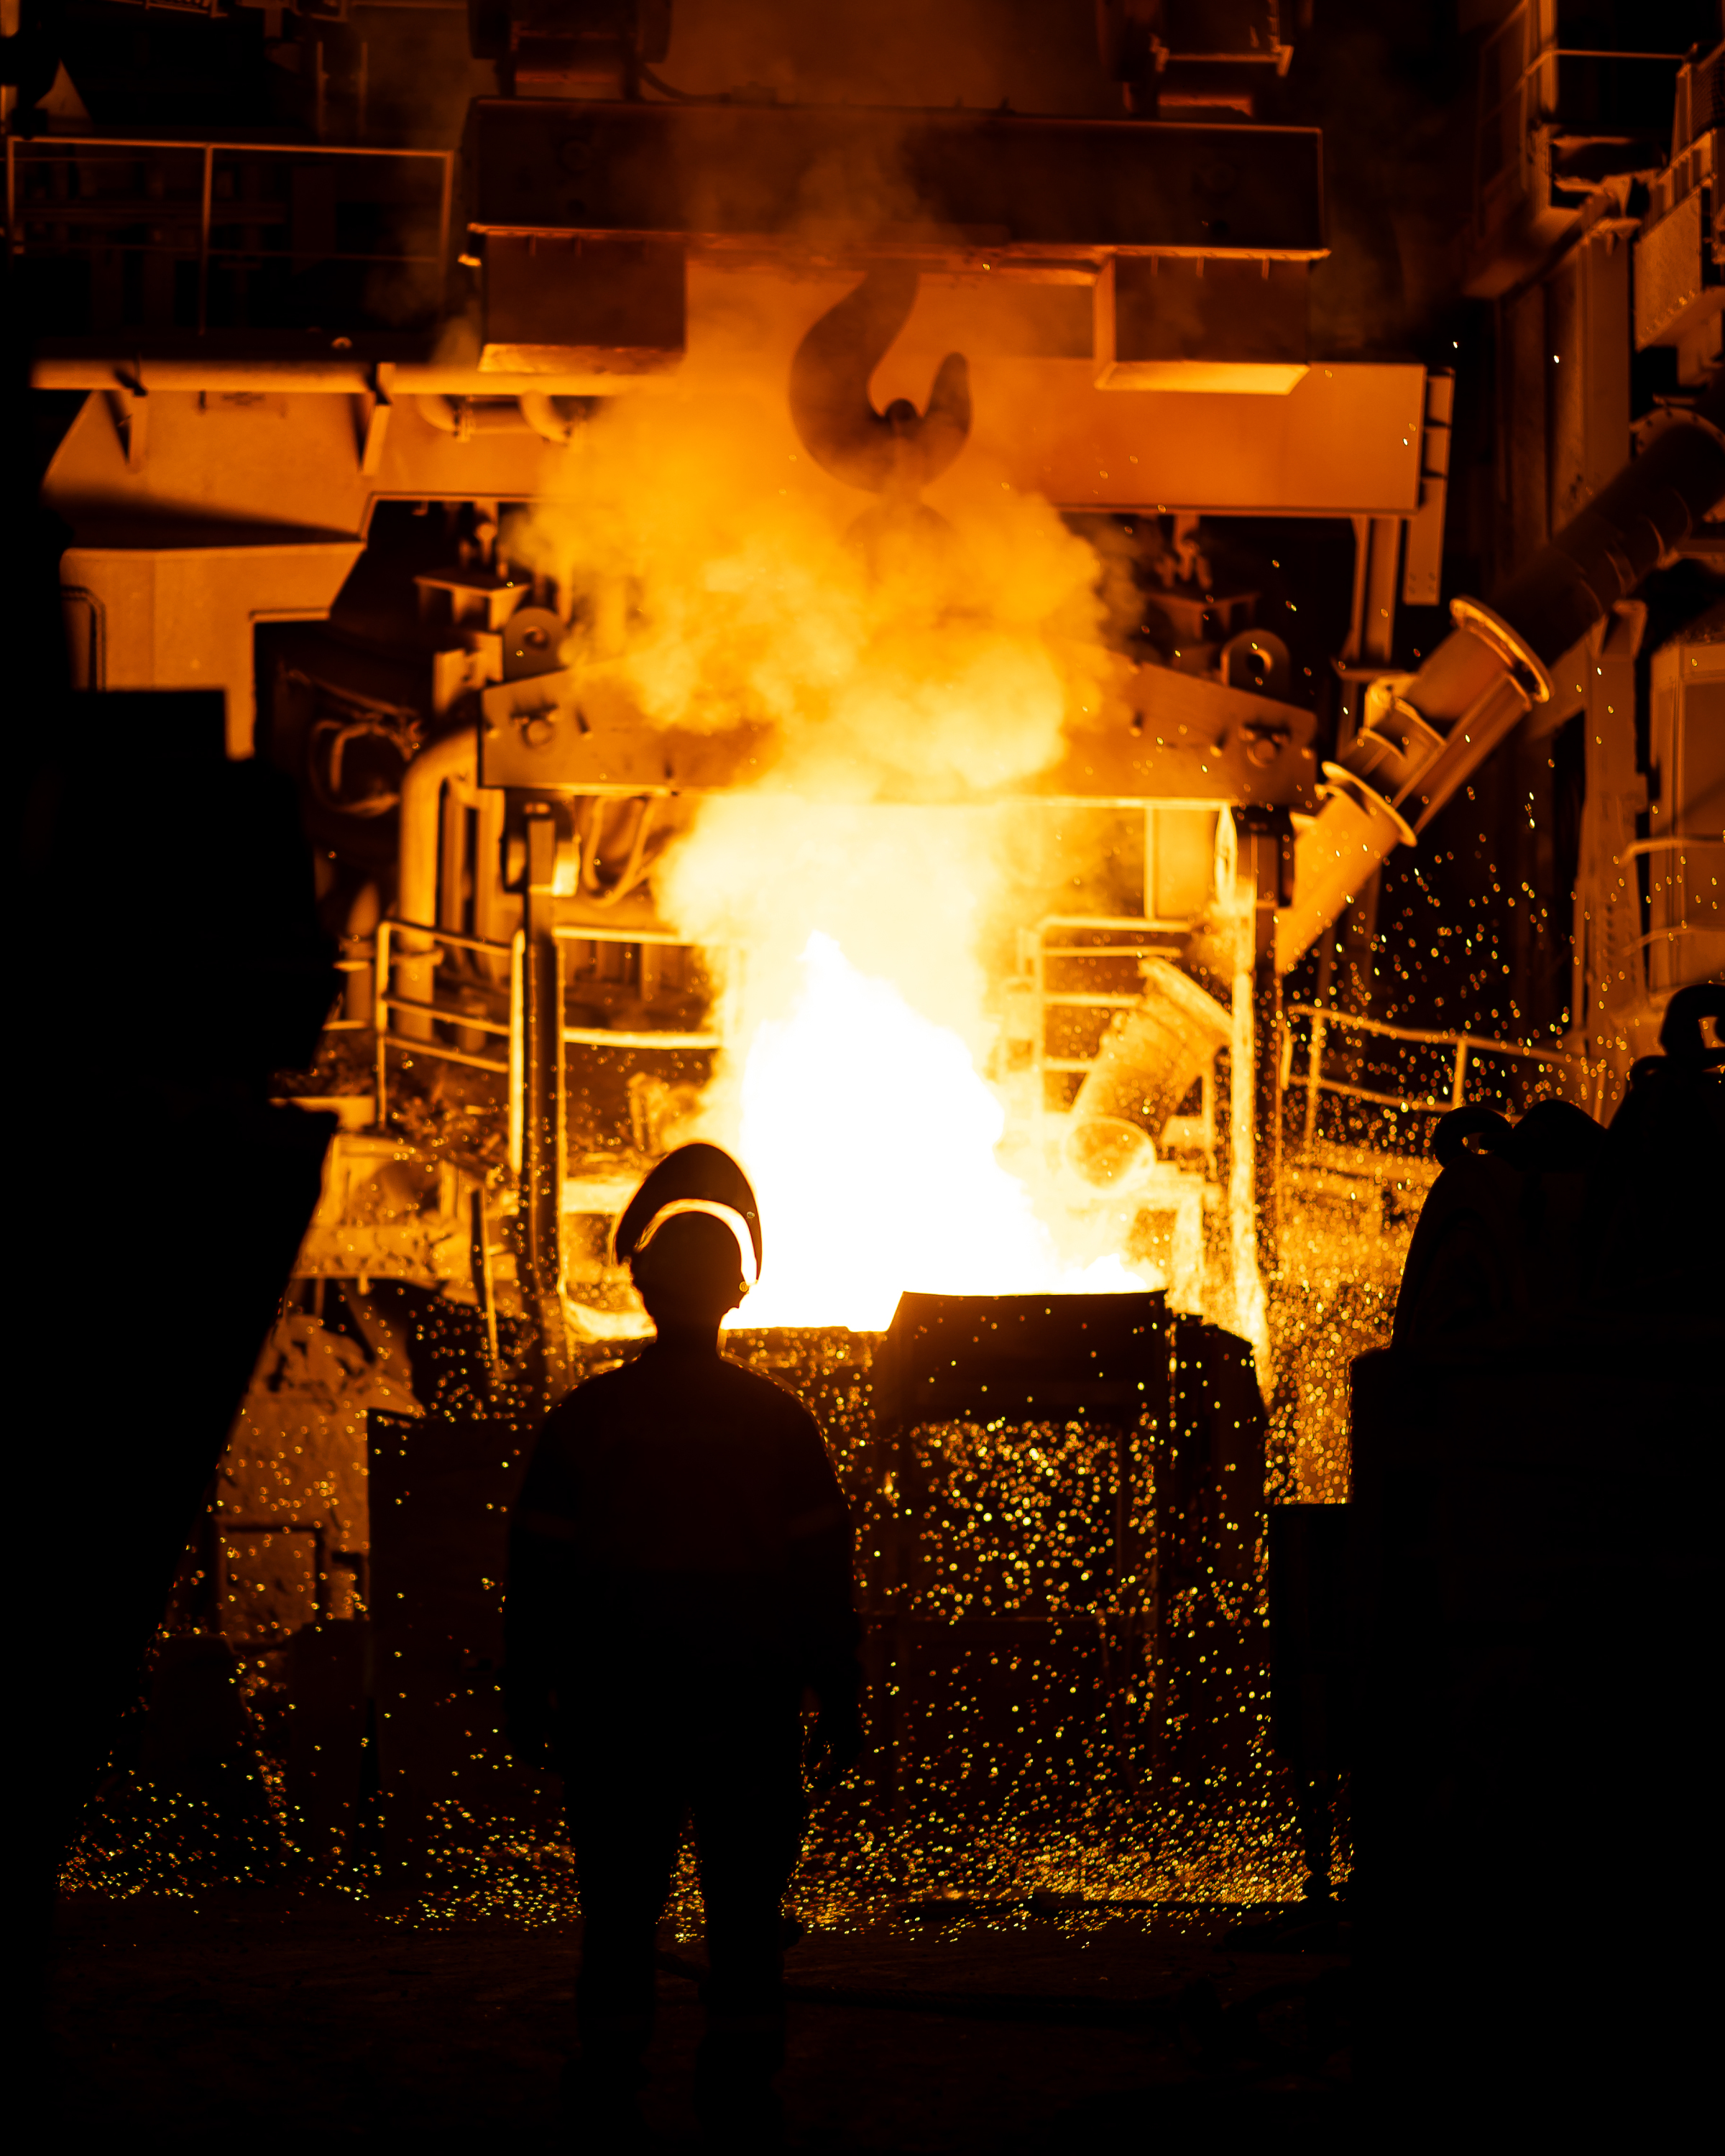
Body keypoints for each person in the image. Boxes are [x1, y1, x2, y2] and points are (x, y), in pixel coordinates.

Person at [505, 1147, 862, 2146]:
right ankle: (740, 2092)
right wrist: (840, 1696)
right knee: (746, 1912)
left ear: (643, 1285)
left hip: (618, 1706)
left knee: (620, 1908)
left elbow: (536, 1572)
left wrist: (523, 1689)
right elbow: (821, 1578)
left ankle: (612, 2078)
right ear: (739, 1291)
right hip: (745, 1705)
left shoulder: (589, 1422)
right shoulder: (778, 1425)